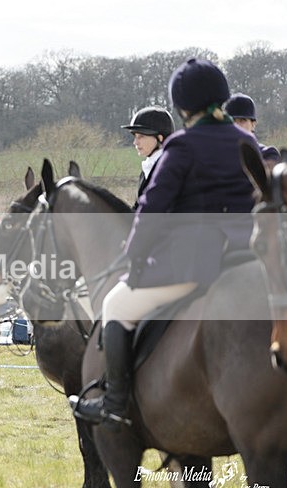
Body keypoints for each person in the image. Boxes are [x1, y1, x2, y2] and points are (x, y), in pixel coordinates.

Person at [72, 58, 260, 428]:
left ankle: (115, 401)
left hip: (194, 267)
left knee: (115, 303)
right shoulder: (247, 141)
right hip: (247, 262)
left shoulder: (182, 146)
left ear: (183, 106)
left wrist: (132, 258)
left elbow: (151, 211)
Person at [121, 106, 175, 210]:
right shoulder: (146, 170)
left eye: (141, 137)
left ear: (160, 138)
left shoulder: (169, 170)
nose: (135, 142)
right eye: (135, 137)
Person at [223, 93, 281, 165]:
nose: (237, 125)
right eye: (233, 121)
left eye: (242, 120)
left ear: (253, 124)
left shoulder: (267, 154)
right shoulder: (219, 153)